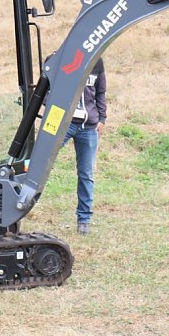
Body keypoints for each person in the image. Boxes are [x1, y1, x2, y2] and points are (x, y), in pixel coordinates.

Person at [62, 59, 107, 235]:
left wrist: (102, 118)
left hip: (88, 127)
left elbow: (101, 92)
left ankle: (84, 220)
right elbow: (48, 90)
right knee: (40, 165)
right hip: (64, 125)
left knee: (86, 174)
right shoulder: (60, 59)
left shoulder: (97, 63)